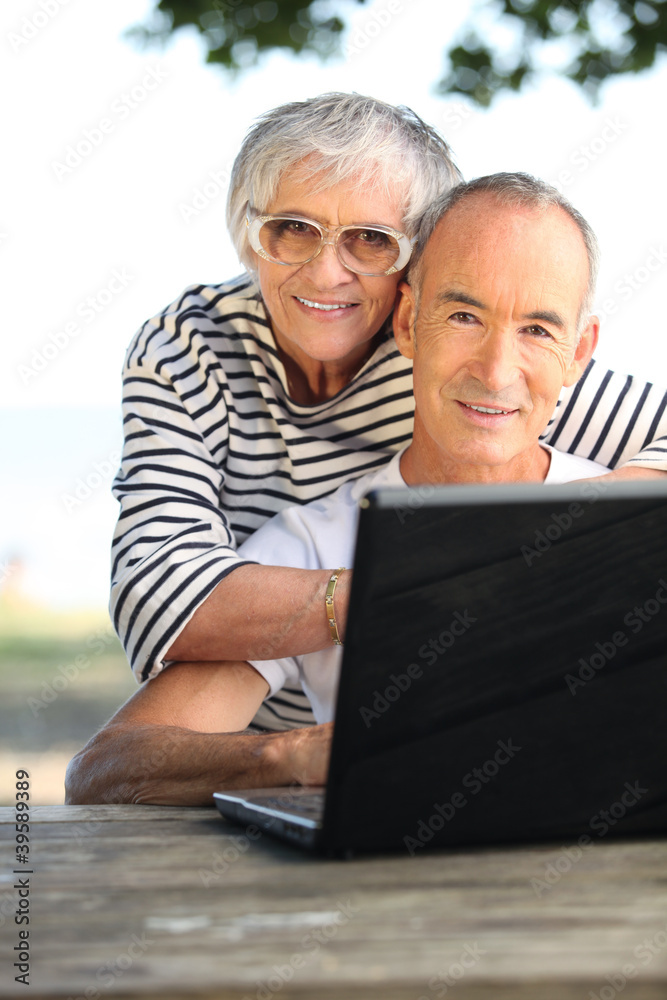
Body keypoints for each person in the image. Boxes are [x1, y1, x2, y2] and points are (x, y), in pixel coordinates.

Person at [67, 172, 638, 806]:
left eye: (537, 330)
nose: (497, 371)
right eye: (463, 316)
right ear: (408, 324)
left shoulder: (633, 521)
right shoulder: (310, 547)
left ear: (578, 353)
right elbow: (104, 770)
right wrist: (292, 753)